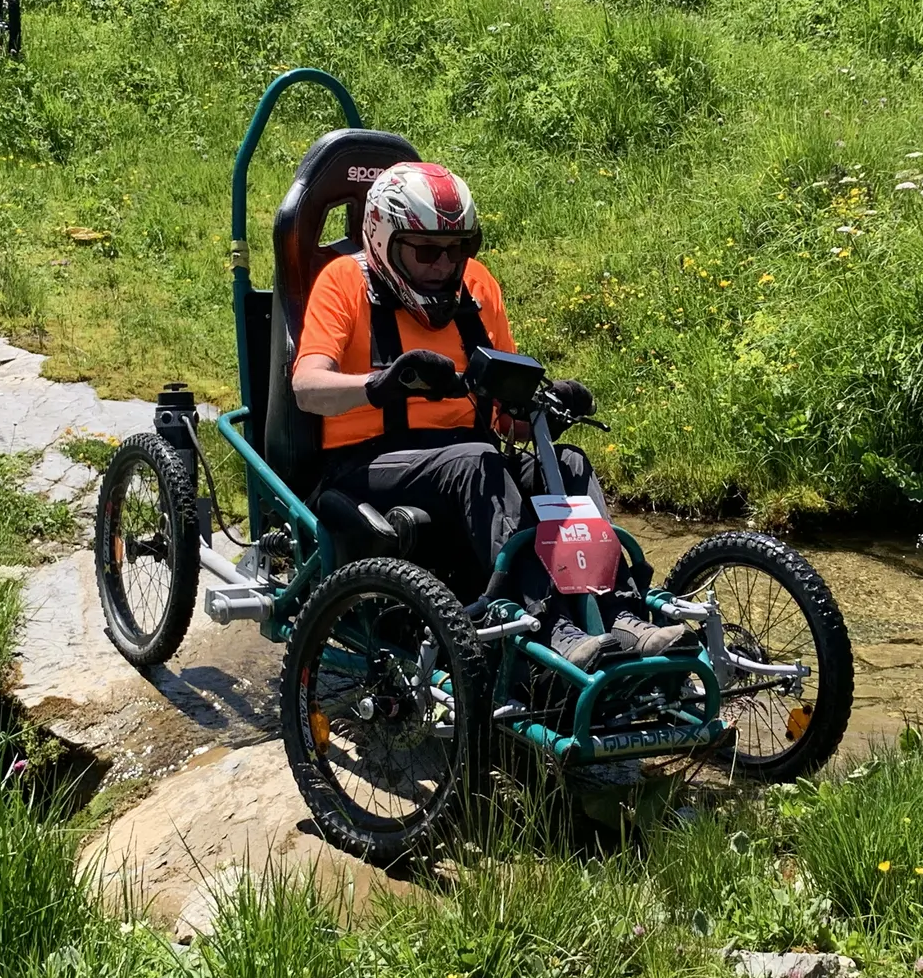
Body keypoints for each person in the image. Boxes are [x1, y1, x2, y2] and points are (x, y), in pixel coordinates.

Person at [292, 161, 687, 670]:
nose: (444, 264)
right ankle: (547, 625)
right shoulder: (344, 281)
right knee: (477, 461)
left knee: (567, 463)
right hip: (365, 465)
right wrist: (381, 383)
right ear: (384, 241)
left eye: (457, 249)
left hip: (468, 459)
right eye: (426, 251)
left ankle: (619, 612)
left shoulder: (478, 288)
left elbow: (505, 419)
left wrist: (547, 410)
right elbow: (307, 388)